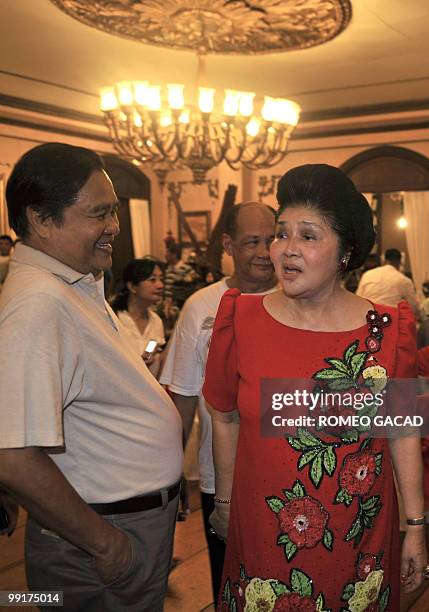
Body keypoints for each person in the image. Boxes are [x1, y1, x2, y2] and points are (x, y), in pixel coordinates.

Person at [203, 164, 428, 611]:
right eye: (281, 233)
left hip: (359, 538)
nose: (285, 250)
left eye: (308, 236)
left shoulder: (387, 330)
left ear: (345, 251)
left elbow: (403, 431)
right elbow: (224, 416)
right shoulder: (239, 320)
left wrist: (416, 526)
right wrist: (225, 502)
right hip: (265, 535)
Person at [0, 143, 183, 611]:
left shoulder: (71, 282)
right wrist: (105, 544)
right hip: (97, 541)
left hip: (119, 526)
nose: (114, 228)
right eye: (99, 214)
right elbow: (13, 455)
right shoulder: (38, 304)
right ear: (41, 219)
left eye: (115, 212)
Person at [159, 202, 278, 602]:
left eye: (271, 239)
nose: (264, 251)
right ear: (228, 244)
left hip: (286, 469)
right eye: (252, 242)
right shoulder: (200, 307)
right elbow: (183, 398)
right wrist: (173, 473)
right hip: (221, 477)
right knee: (229, 582)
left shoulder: (299, 296)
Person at [111, 258, 165, 377]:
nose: (160, 285)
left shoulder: (156, 321)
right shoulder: (114, 318)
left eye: (161, 279)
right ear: (132, 286)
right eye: (152, 280)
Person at [356, 247, 420, 318]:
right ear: (400, 262)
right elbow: (414, 308)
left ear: (384, 260)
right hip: (390, 321)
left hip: (366, 318)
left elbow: (358, 299)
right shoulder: (403, 280)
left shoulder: (367, 275)